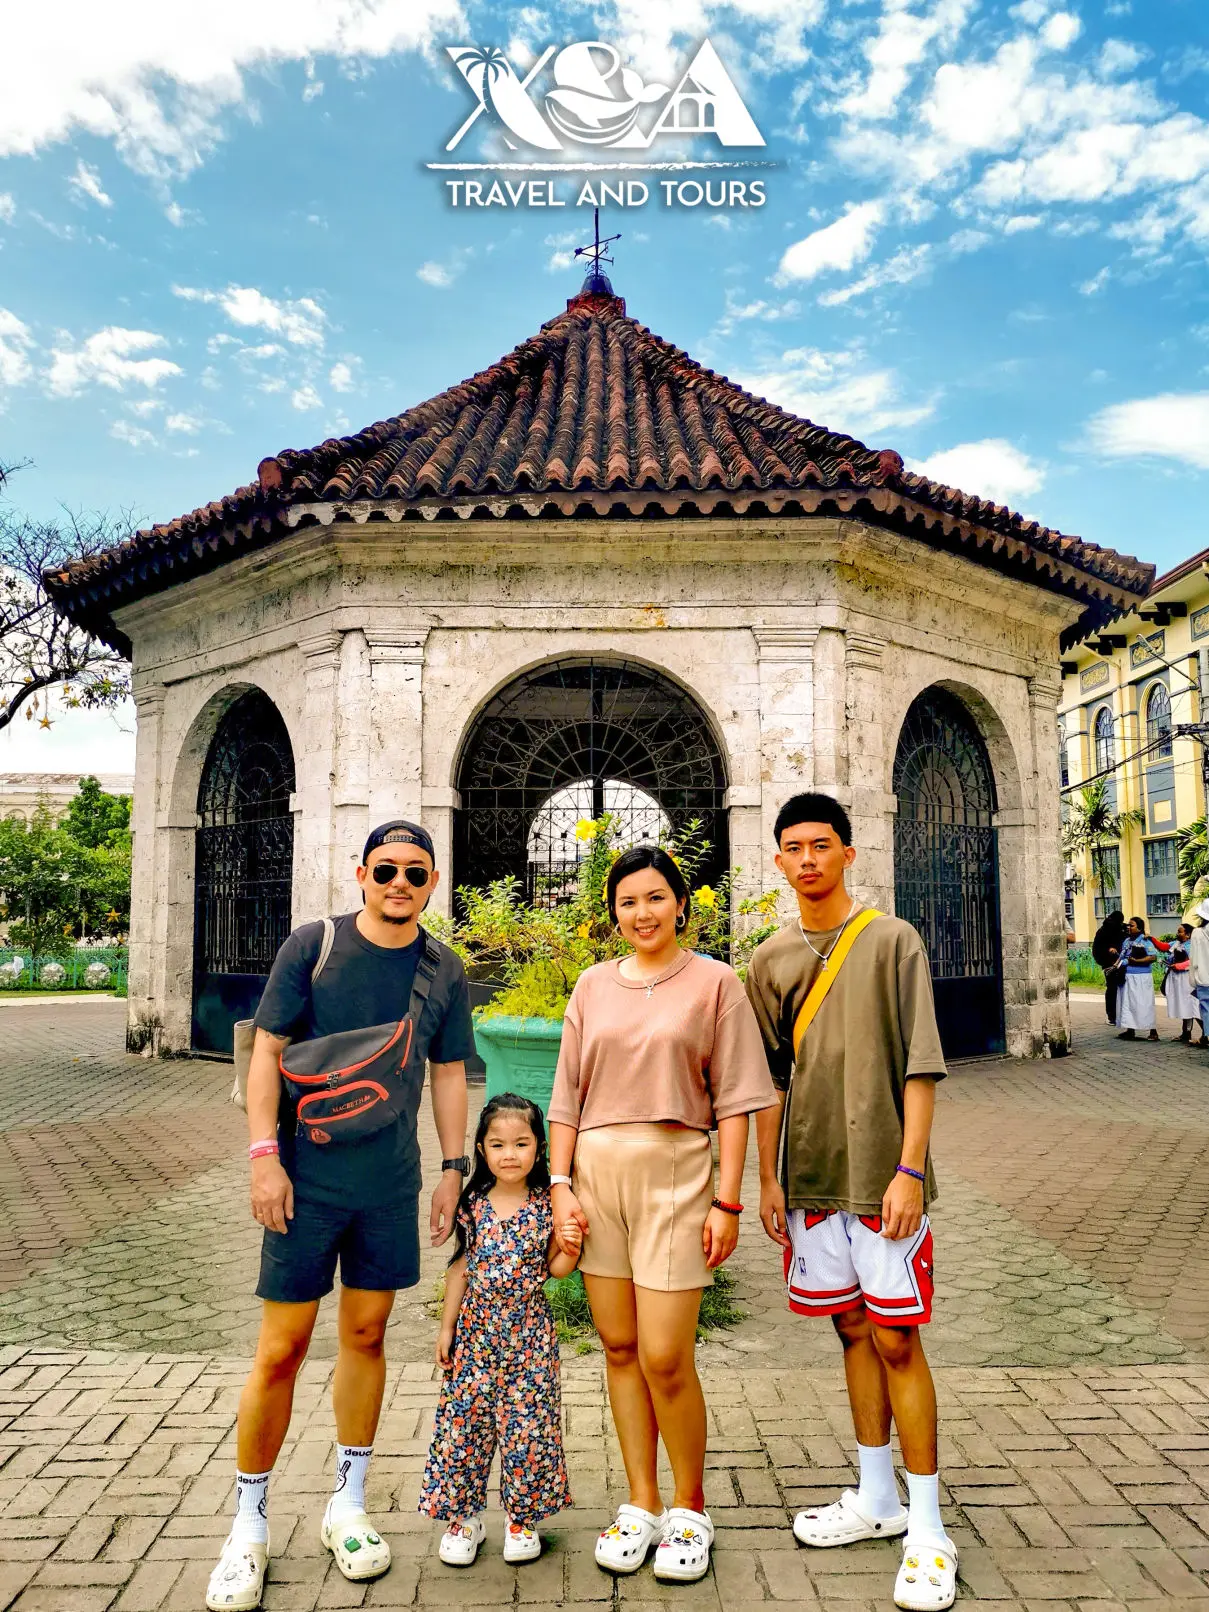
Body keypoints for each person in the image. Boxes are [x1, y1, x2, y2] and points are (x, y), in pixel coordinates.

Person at [206, 821, 476, 1612]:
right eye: (386, 870)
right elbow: (267, 1050)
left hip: (388, 1185)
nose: (400, 883)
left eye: (416, 873)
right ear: (361, 874)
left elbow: (449, 1071)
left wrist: (452, 1170)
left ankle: (347, 1507)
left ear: (432, 884)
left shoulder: (442, 968)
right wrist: (263, 1157)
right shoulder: (313, 946)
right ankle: (247, 1526)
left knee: (366, 1336)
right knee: (281, 1349)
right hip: (304, 1182)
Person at [746, 792, 955, 1612]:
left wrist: (909, 1172)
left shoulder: (893, 941)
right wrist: (766, 1178)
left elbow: (921, 1065)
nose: (807, 859)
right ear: (777, 860)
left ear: (847, 853)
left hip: (880, 1177)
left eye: (821, 845)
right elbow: (768, 1080)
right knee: (849, 1330)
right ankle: (875, 1497)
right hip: (810, 1176)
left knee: (897, 1337)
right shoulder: (769, 959)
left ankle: (927, 1526)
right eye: (794, 847)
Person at [547, 845, 777, 1585]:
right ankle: (641, 1501)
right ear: (611, 913)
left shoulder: (715, 983)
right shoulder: (591, 986)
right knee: (618, 1348)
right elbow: (565, 1097)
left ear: (681, 904)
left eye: (655, 898)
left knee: (666, 1356)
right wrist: (559, 1185)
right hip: (595, 1178)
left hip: (677, 1176)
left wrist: (728, 1199)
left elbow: (738, 1100)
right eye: (627, 901)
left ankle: (689, 1506)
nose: (642, 913)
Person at [419, 1093, 580, 1565]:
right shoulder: (472, 1204)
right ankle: (463, 1518)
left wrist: (570, 1247)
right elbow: (460, 1268)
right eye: (498, 1145)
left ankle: (521, 1519)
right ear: (482, 1149)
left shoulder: (547, 1205)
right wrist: (447, 1328)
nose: (510, 1155)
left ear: (539, 1149)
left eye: (521, 1144)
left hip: (530, 1338)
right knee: (463, 1426)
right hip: (475, 1337)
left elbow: (556, 1270)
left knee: (529, 1428)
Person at [1115, 915, 1166, 1042]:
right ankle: (1130, 1030)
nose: (1129, 927)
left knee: (1144, 1004)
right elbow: (1122, 956)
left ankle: (1153, 1031)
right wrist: (1115, 966)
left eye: (1132, 925)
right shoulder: (1126, 941)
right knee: (1128, 1003)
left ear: (1139, 928)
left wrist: (1137, 961)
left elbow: (1153, 957)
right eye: (1128, 925)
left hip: (1141, 977)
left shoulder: (1145, 940)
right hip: (1127, 976)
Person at [1092, 910, 1127, 1026]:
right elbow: (1098, 950)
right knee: (1113, 988)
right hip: (1112, 964)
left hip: (1116, 963)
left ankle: (1113, 1015)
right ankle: (1112, 1015)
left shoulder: (1113, 929)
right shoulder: (1108, 931)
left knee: (1113, 989)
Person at [1163, 923, 1196, 1042]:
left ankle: (1202, 1034)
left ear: (1188, 935)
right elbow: (1163, 947)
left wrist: (1178, 966)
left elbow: (1192, 961)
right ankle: (1185, 1034)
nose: (1177, 934)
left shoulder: (1191, 946)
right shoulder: (1176, 944)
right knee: (1183, 1005)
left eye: (1180, 932)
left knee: (1190, 1006)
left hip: (1186, 978)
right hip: (1177, 978)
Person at [1188, 903, 1209, 1048]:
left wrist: (1193, 980)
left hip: (1204, 977)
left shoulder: (1197, 933)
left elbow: (1194, 959)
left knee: (1206, 1011)